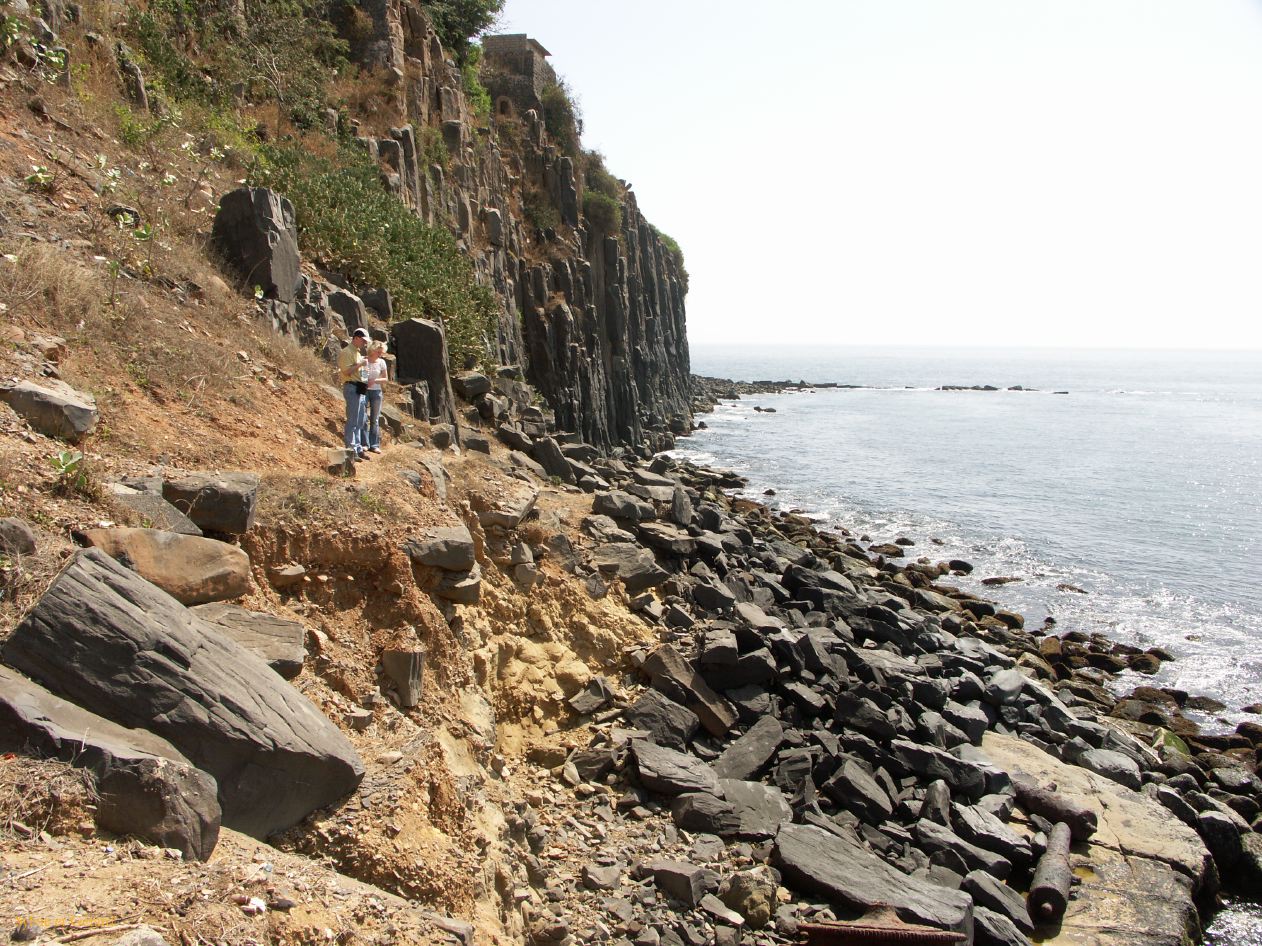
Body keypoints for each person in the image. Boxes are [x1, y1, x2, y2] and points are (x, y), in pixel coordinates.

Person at [338, 328, 370, 460]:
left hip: (359, 388)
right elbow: (346, 371)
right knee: (352, 420)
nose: (364, 343)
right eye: (363, 340)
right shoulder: (347, 352)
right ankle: (351, 449)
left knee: (360, 420)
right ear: (356, 338)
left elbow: (362, 373)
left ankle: (357, 448)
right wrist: (360, 364)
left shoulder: (357, 353)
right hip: (351, 387)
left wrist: (364, 368)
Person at [361, 341, 388, 454]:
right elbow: (362, 377)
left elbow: (385, 378)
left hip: (377, 391)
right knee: (363, 417)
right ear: (373, 350)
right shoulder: (364, 360)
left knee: (375, 419)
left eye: (381, 352)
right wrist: (366, 380)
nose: (380, 354)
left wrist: (375, 380)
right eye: (378, 352)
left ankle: (374, 444)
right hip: (364, 391)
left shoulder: (382, 362)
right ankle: (364, 443)